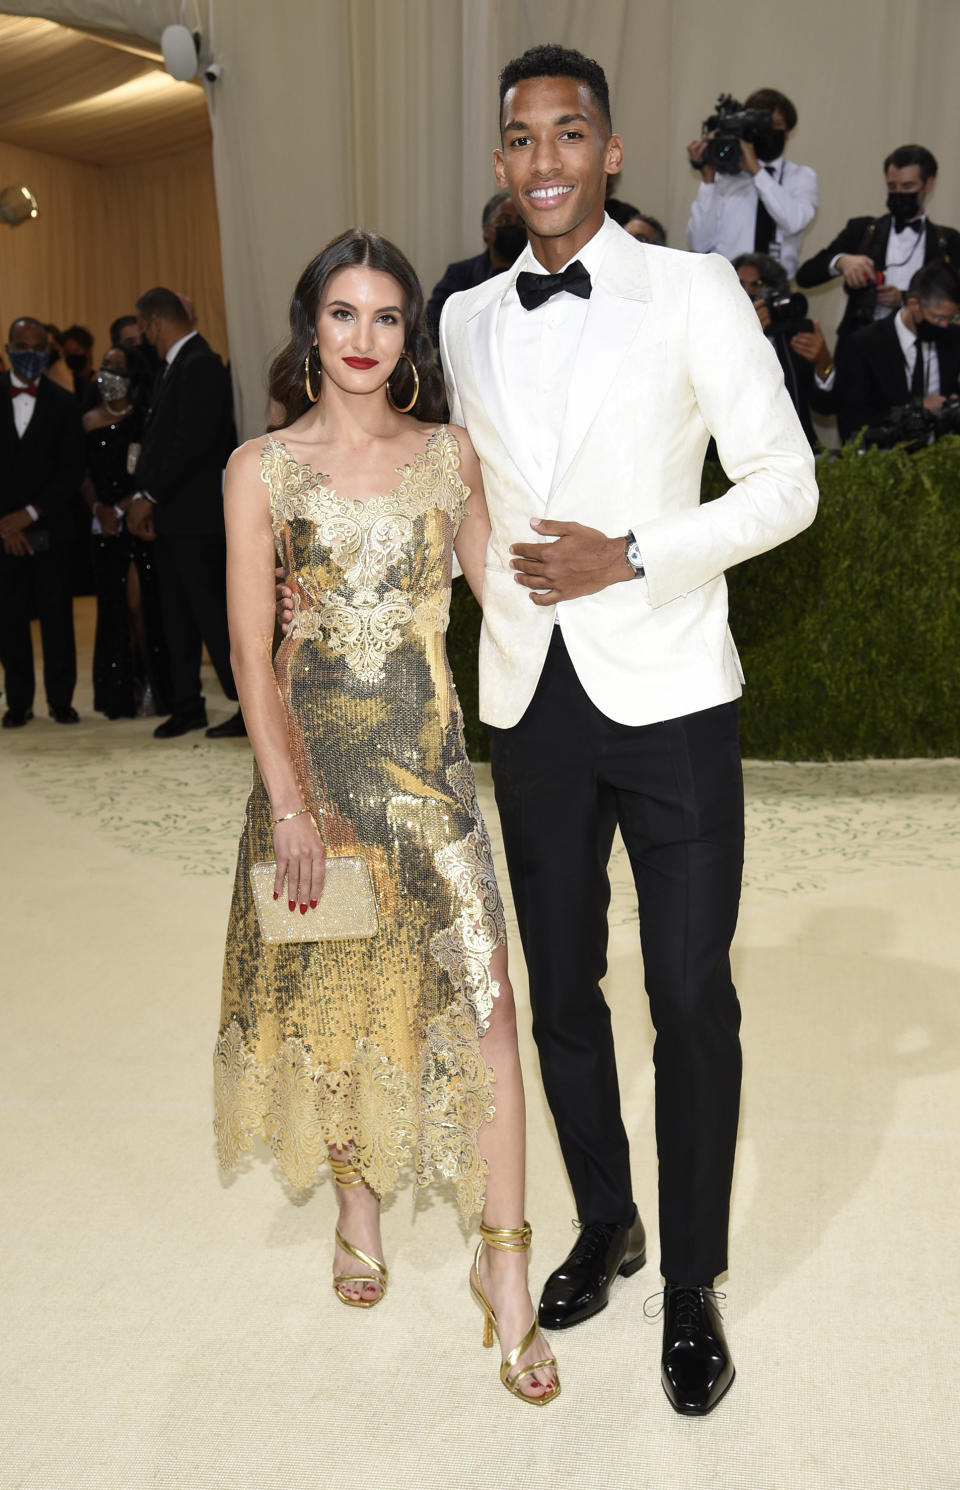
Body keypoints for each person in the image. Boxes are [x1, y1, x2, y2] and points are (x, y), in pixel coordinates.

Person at [437, 45, 818, 1416]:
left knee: (688, 992)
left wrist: (633, 555)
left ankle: (694, 1281)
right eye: (521, 138)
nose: (544, 158)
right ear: (501, 165)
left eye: (570, 132)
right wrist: (498, 592)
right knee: (561, 991)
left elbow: (787, 486)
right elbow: (466, 485)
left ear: (607, 151)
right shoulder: (467, 316)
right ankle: (609, 1219)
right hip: (530, 703)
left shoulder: (694, 288)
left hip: (669, 698)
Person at [214, 228, 559, 1407]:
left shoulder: (447, 456)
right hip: (315, 783)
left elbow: (503, 596)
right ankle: (357, 1194)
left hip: (433, 777)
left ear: (411, 338)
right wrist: (291, 806)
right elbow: (255, 660)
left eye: (388, 318)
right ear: (311, 323)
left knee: (489, 1006)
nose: (365, 340)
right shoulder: (258, 469)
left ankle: (503, 1270)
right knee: (337, 996)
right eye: (344, 314)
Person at [125, 287, 242, 739]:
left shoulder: (201, 364)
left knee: (211, 614)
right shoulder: (177, 365)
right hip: (176, 516)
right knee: (177, 614)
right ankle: (187, 704)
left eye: (143, 328)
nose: (143, 338)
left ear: (153, 321)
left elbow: (189, 443)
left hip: (197, 519)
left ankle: (247, 709)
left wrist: (148, 495)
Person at [0, 316, 84, 727]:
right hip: (2, 531)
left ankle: (60, 700)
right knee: (8, 618)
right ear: (7, 347)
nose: (29, 354)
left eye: (37, 347)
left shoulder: (64, 402)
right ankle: (18, 703)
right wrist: (6, 524)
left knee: (56, 619)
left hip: (50, 526)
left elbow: (70, 473)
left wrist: (28, 516)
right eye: (21, 345)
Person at [81, 344, 170, 718]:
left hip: (135, 521)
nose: (108, 375)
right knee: (112, 607)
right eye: (105, 367)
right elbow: (80, 473)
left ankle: (152, 681)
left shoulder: (145, 420)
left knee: (139, 605)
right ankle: (121, 691)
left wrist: (122, 507)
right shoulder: (86, 420)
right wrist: (99, 509)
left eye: (117, 368)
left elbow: (151, 473)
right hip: (102, 525)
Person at [796, 145, 960, 341]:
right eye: (892, 187)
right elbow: (805, 276)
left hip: (923, 344)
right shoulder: (862, 231)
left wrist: (904, 299)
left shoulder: (947, 241)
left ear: (929, 184)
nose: (899, 193)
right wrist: (840, 262)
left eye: (908, 187)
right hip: (861, 343)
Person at [686, 88, 818, 279]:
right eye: (761, 127)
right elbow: (698, 243)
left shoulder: (801, 176)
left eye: (776, 125)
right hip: (726, 285)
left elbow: (794, 222)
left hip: (774, 291)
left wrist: (757, 171)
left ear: (788, 132)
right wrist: (708, 181)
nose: (767, 133)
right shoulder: (724, 178)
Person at [835, 261, 960, 443]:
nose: (944, 325)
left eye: (951, 318)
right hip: (885, 456)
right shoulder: (865, 344)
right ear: (913, 304)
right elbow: (851, 421)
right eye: (938, 317)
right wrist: (915, 410)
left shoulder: (953, 337)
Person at [733, 252, 836, 446]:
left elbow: (825, 406)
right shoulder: (718, 333)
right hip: (736, 448)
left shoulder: (797, 331)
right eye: (739, 285)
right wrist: (747, 334)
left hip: (795, 446)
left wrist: (824, 363)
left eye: (756, 285)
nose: (746, 293)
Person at [425, 191, 527, 341]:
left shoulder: (538, 275)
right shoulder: (460, 274)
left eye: (520, 222)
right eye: (504, 221)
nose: (513, 227)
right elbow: (432, 325)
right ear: (486, 229)